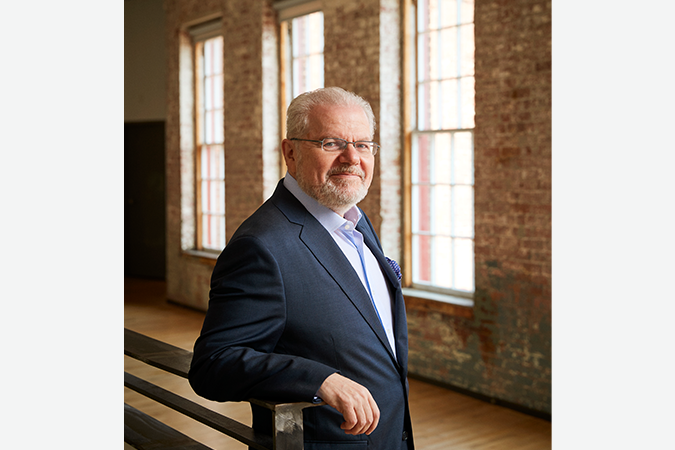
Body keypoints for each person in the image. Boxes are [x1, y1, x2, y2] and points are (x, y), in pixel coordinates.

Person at [189, 86, 414, 449]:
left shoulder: (354, 220)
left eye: (363, 144)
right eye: (331, 143)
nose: (351, 158)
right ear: (290, 153)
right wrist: (319, 379)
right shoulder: (262, 246)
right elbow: (213, 365)